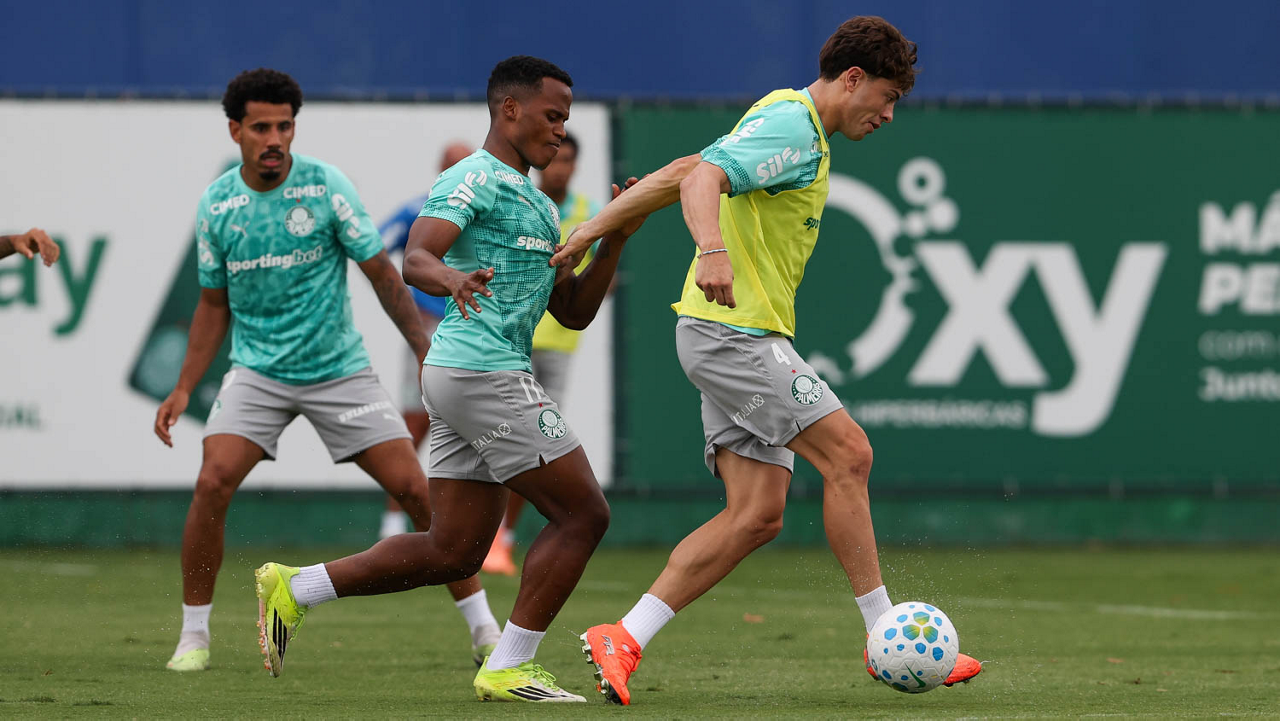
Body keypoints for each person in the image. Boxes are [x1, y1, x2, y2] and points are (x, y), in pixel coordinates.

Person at [550, 16, 983, 705]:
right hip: (735, 336)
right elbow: (706, 183)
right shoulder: (793, 127)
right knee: (850, 454)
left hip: (733, 335)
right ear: (853, 79)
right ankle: (882, 636)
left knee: (756, 514)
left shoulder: (786, 122)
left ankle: (623, 635)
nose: (889, 115)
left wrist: (587, 232)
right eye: (888, 97)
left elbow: (681, 171)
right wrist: (711, 249)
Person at [254, 56, 644, 703]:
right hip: (480, 370)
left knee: (455, 549)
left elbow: (571, 310)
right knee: (584, 512)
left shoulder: (542, 207)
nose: (560, 131)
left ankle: (296, 588)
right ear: (508, 110)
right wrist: (451, 279)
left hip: (474, 375)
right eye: (552, 117)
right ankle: (510, 663)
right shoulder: (473, 178)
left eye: (567, 120)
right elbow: (417, 255)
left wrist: (616, 238)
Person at [154, 68, 500, 673]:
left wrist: (423, 348)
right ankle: (194, 637)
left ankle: (483, 630)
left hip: (338, 369)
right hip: (257, 371)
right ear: (235, 130)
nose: (274, 138)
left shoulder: (326, 187)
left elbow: (384, 277)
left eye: (284, 126)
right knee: (212, 482)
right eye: (260, 127)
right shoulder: (219, 205)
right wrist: (184, 385)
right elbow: (212, 307)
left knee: (416, 491)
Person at [481, 131, 601, 576]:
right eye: (556, 158)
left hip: (557, 345)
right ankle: (478, 534)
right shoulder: (520, 201)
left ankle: (502, 540)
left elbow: (587, 288)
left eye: (569, 159)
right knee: (503, 443)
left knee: (533, 450)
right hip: (512, 342)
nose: (560, 167)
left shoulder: (589, 213)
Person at [377, 141, 474, 540]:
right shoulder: (418, 210)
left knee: (473, 425)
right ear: (441, 170)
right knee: (416, 421)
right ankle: (393, 521)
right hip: (429, 330)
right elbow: (375, 252)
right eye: (454, 165)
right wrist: (409, 307)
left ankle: (472, 524)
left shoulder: (484, 212)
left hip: (472, 330)